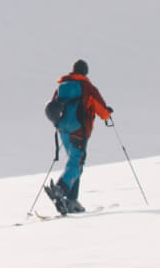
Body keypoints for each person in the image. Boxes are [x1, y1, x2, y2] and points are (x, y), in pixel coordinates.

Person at [47, 59, 113, 214]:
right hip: (79, 130)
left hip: (63, 130)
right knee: (76, 163)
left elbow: (54, 107)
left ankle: (71, 200)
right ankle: (61, 189)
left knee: (75, 162)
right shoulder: (87, 87)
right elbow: (102, 110)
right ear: (85, 72)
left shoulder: (61, 87)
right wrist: (107, 113)